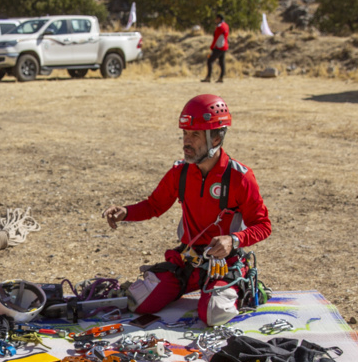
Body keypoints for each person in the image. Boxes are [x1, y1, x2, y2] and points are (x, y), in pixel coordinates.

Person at [103, 94, 270, 326]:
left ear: (215, 138)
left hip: (223, 264)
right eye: (185, 133)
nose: (186, 142)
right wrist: (126, 212)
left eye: (195, 134)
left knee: (213, 314)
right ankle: (196, 286)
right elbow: (155, 205)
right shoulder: (180, 172)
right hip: (188, 260)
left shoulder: (240, 178)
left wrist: (234, 240)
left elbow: (263, 226)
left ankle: (240, 284)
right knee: (137, 303)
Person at [203, 14, 229, 84]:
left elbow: (216, 38)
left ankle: (208, 77)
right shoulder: (226, 25)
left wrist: (212, 47)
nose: (215, 20)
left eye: (216, 19)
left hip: (219, 47)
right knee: (222, 62)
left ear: (219, 19)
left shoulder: (220, 27)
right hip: (224, 46)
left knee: (210, 61)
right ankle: (221, 77)